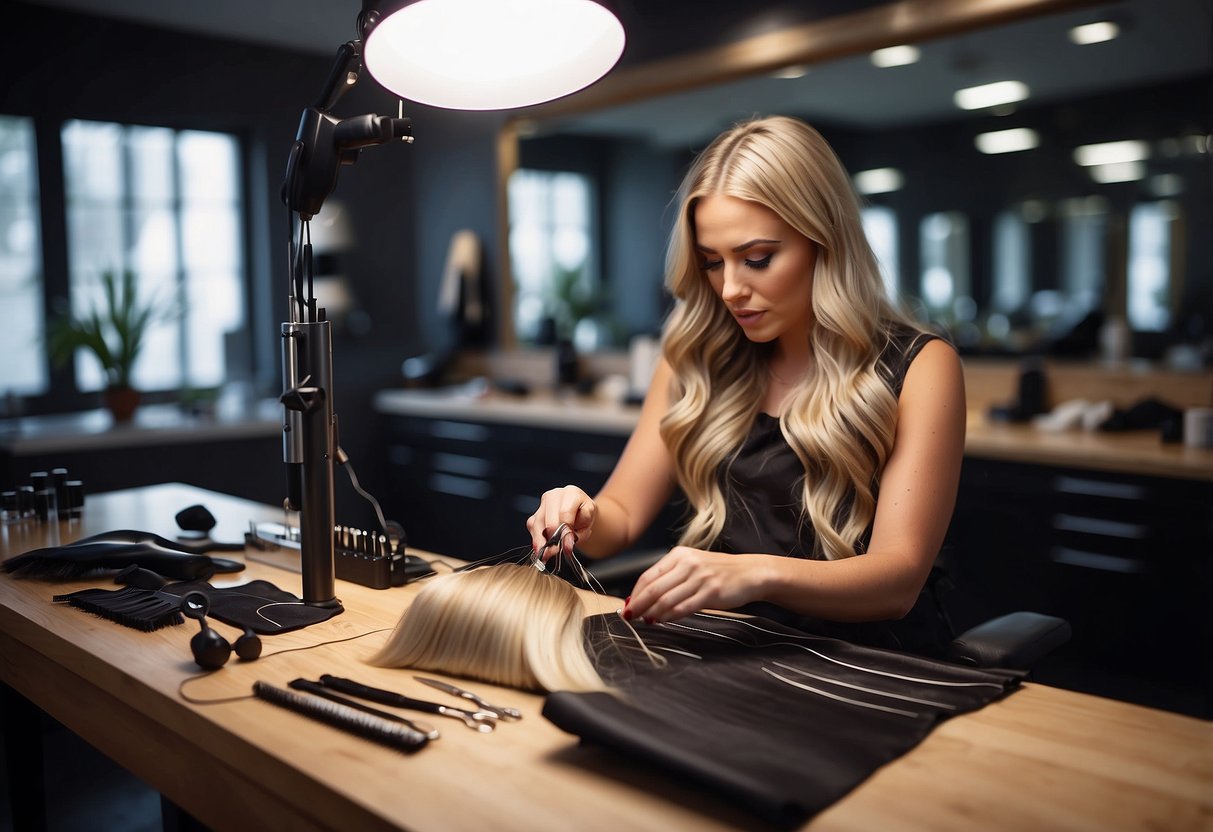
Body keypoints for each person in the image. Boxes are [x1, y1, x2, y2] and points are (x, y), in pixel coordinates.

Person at [526, 115, 966, 656]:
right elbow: (622, 515)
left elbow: (897, 581)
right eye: (712, 263)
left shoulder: (921, 367)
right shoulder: (695, 356)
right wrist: (583, 515)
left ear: (822, 241)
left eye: (757, 259)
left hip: (868, 663)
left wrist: (753, 575)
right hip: (733, 651)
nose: (731, 289)